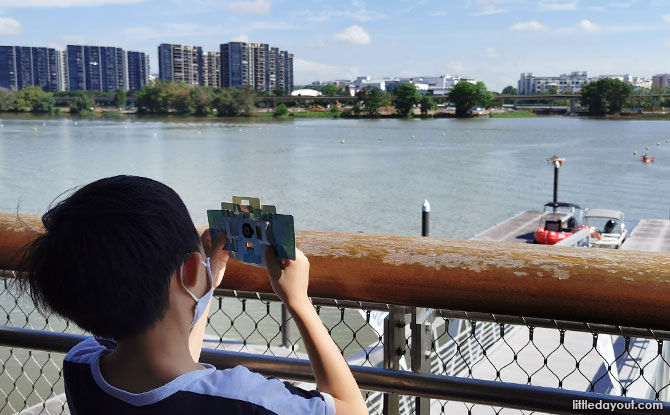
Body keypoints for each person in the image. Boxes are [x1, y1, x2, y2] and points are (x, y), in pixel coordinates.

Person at [19, 175, 368, 415]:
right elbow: (352, 409)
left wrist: (207, 278)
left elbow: (173, 364)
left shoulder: (79, 365)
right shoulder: (245, 398)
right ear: (187, 271)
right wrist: (298, 302)